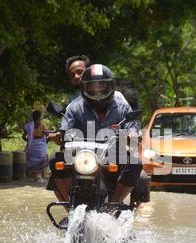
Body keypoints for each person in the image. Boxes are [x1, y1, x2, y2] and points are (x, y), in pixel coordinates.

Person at [48, 64, 143, 204]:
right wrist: (58, 134)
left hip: (113, 155)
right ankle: (70, 206)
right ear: (84, 88)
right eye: (92, 88)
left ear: (110, 86)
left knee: (136, 164)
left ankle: (114, 204)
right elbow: (65, 125)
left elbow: (132, 125)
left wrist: (132, 134)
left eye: (101, 87)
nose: (97, 92)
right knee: (55, 160)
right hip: (82, 155)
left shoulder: (122, 106)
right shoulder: (75, 107)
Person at [22, 110, 49, 182]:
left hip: (32, 145)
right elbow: (47, 135)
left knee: (32, 161)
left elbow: (23, 137)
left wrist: (30, 141)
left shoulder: (28, 125)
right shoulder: (43, 125)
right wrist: (46, 141)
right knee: (44, 160)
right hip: (41, 146)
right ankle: (43, 178)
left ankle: (35, 179)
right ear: (40, 117)